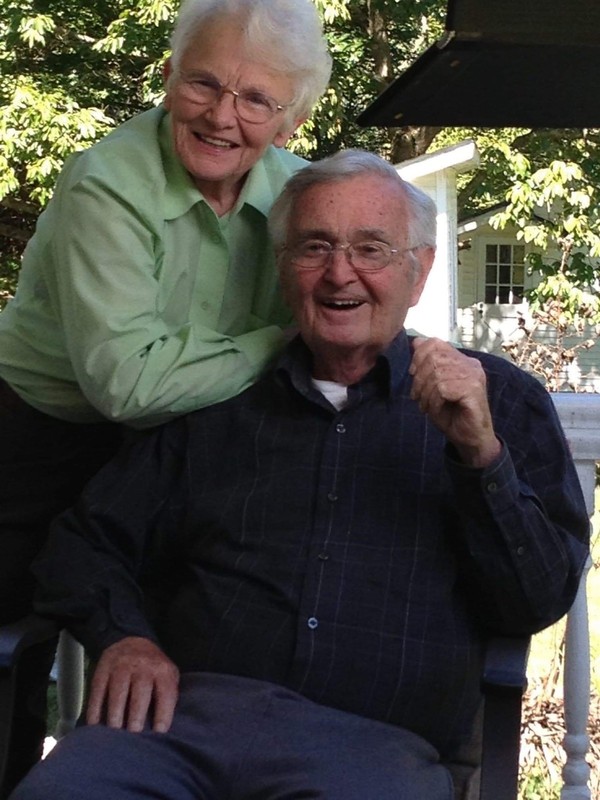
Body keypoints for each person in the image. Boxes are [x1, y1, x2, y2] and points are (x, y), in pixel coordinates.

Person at [10, 150, 589, 800]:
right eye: (315, 246)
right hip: (175, 730)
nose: (340, 273)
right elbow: (85, 541)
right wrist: (124, 637)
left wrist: (481, 456)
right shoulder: (217, 397)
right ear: (283, 266)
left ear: (419, 270)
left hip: (373, 749)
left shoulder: (498, 401)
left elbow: (537, 599)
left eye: (371, 249)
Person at [0, 0, 331, 791]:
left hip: (191, 442)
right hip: (36, 439)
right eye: (204, 83)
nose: (224, 116)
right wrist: (277, 340)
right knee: (11, 660)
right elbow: (129, 384)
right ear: (167, 77)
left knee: (182, 652)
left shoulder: (299, 195)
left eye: (257, 100)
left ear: (292, 120)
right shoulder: (106, 185)